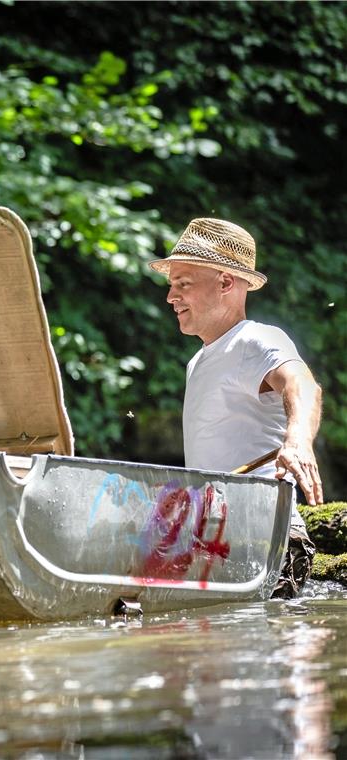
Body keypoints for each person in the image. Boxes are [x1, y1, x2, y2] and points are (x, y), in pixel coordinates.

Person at [150, 217, 323, 598]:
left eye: (183, 284)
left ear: (226, 282)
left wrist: (297, 441)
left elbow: (302, 383)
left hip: (264, 536)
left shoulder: (255, 339)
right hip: (215, 540)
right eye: (171, 285)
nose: (170, 297)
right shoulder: (198, 361)